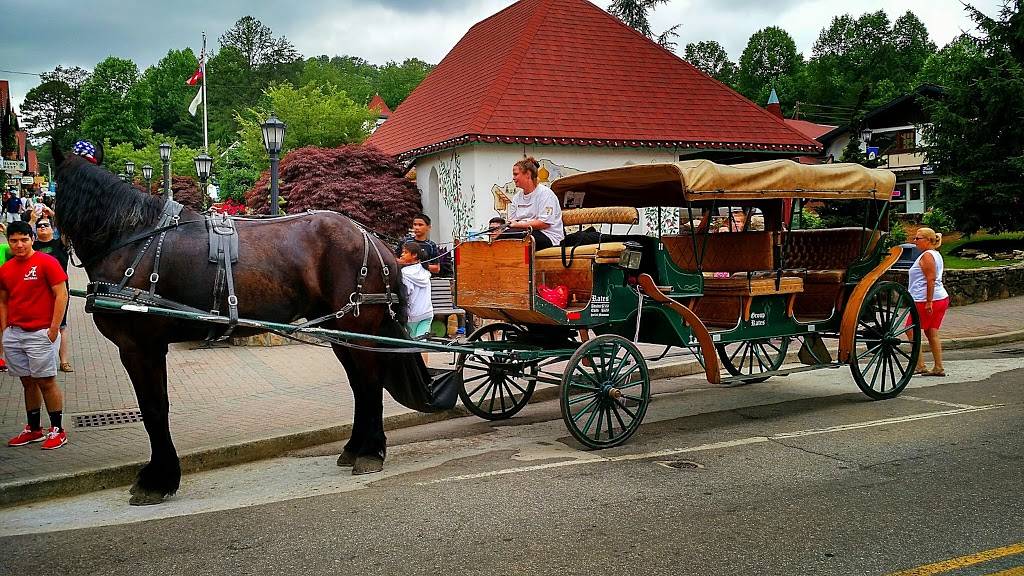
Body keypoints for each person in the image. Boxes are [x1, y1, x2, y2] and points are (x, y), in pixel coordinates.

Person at [1, 220, 70, 449]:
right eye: (14, 241)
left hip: (41, 333)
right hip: (15, 334)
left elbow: (61, 295)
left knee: (46, 381)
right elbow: (3, 301)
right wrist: (5, 330)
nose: (19, 245)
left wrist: (54, 329)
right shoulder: (6, 269)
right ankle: (34, 429)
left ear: (32, 239)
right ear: (8, 242)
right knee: (27, 382)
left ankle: (58, 430)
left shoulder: (47, 262)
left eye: (24, 239)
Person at [908, 227, 949, 377]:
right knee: (931, 331)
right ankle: (938, 366)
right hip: (939, 297)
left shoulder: (927, 256)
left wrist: (929, 301)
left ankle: (920, 365)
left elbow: (930, 279)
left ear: (928, 240)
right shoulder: (935, 254)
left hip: (925, 299)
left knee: (910, 329)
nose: (915, 241)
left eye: (918, 239)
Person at [33, 218, 73, 372]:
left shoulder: (60, 244)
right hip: (39, 291)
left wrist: (55, 216)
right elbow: (22, 237)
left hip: (60, 292)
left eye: (46, 225)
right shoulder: (33, 246)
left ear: (52, 228)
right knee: (40, 325)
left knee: (61, 325)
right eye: (39, 226)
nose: (43, 227)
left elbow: (67, 230)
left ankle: (64, 361)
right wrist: (32, 220)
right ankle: (40, 360)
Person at [502, 157, 564, 250]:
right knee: (502, 238)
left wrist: (518, 225)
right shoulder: (517, 197)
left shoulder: (545, 194)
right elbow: (513, 221)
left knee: (515, 237)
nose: (513, 178)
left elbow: (544, 223)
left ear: (528, 174)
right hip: (526, 232)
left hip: (549, 236)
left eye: (516, 174)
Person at [398, 241, 434, 362]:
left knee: (412, 345)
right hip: (427, 313)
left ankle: (417, 370)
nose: (402, 254)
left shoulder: (405, 274)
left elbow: (405, 295)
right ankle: (425, 369)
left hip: (412, 315)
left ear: (414, 255)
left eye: (405, 252)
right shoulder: (425, 272)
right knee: (422, 344)